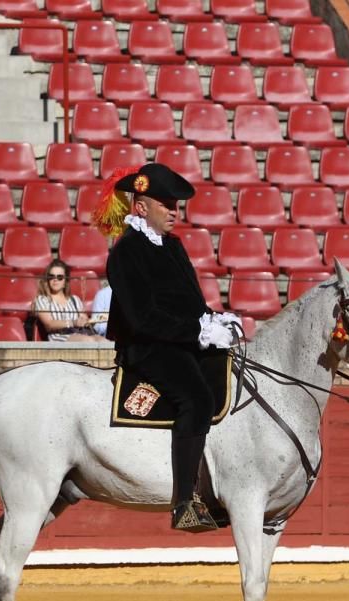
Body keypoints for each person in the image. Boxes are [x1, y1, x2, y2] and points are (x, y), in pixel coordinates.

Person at [101, 163, 239, 533]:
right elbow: (142, 318)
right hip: (146, 348)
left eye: (176, 204)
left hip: (177, 339)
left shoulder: (174, 246)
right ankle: (184, 502)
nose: (174, 211)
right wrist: (196, 332)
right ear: (142, 207)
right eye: (166, 204)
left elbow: (189, 300)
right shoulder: (126, 252)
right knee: (195, 397)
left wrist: (213, 320)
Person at [32, 262, 105, 342]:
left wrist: (90, 321)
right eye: (51, 276)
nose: (55, 279)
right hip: (58, 337)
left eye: (59, 277)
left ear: (65, 281)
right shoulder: (42, 299)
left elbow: (83, 319)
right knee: (88, 341)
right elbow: (49, 324)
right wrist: (72, 322)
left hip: (79, 333)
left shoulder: (74, 299)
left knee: (104, 342)